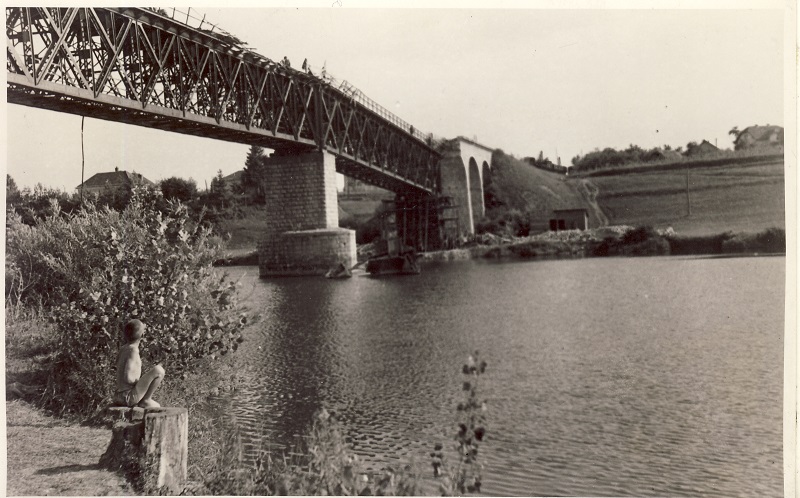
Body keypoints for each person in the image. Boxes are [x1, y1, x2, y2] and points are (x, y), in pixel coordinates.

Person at [114, 319, 165, 409]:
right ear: (143, 335)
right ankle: (146, 400)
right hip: (128, 397)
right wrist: (142, 382)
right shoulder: (133, 350)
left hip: (118, 396)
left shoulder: (123, 348)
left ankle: (144, 400)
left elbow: (117, 366)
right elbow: (128, 378)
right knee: (159, 370)